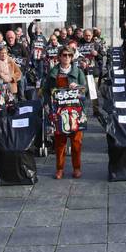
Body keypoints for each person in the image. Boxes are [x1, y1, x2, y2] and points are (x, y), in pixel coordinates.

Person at [44, 45, 87, 179]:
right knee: (60, 143)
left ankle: (77, 168)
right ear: (59, 57)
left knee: (76, 142)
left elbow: (85, 91)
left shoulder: (78, 71)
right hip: (59, 111)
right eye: (64, 55)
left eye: (69, 55)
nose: (67, 58)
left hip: (75, 111)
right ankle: (60, 168)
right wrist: (49, 102)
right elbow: (46, 91)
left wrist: (78, 87)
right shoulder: (53, 72)